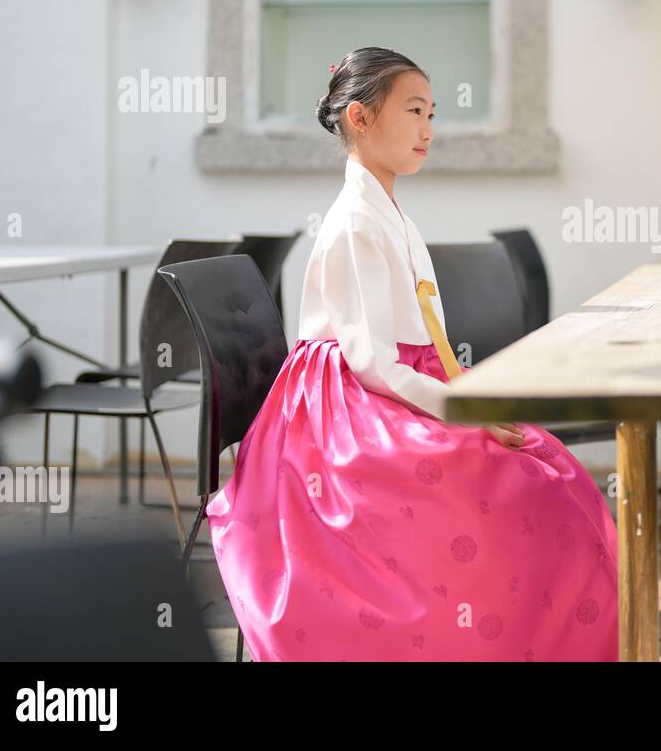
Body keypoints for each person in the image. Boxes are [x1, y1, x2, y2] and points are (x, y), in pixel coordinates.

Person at [205, 47, 619, 661]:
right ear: (360, 119)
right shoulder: (354, 223)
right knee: (516, 482)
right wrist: (463, 408)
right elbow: (371, 361)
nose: (430, 129)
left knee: (546, 465)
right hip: (345, 408)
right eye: (415, 110)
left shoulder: (387, 211)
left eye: (433, 113)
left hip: (397, 381)